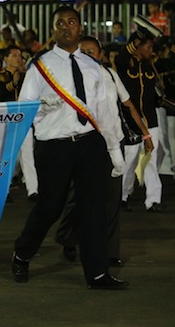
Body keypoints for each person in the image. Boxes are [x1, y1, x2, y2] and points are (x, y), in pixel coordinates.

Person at [12, 5, 128, 290]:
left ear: (81, 27)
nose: (66, 27)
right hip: (55, 147)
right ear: (53, 30)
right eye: (60, 23)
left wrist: (114, 151)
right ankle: (22, 253)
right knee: (50, 208)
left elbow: (105, 112)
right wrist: (40, 107)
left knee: (93, 209)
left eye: (71, 22)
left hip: (89, 144)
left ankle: (97, 273)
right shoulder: (40, 67)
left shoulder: (93, 67)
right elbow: (23, 112)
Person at [55, 35, 153, 268]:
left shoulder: (110, 75)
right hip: (83, 145)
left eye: (92, 52)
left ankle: (110, 251)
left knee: (111, 200)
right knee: (77, 198)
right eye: (83, 52)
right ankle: (68, 237)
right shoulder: (68, 78)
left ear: (100, 55)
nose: (88, 56)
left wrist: (146, 135)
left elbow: (128, 105)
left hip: (113, 145)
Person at [115, 18, 163, 212]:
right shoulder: (125, 64)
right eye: (148, 46)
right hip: (131, 122)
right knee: (131, 159)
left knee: (150, 159)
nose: (151, 50)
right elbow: (120, 58)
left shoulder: (151, 66)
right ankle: (123, 194)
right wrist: (137, 38)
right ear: (138, 47)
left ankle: (153, 200)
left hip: (150, 120)